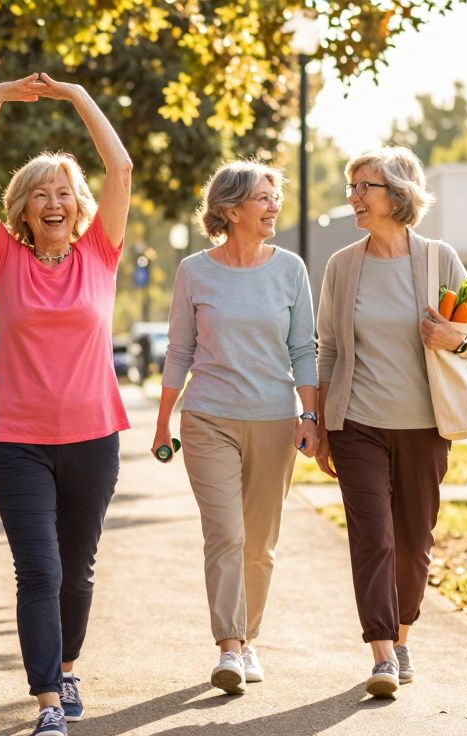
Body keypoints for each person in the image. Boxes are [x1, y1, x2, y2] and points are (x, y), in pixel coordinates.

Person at [0, 73, 131, 736]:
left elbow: (121, 165)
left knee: (76, 575)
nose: (52, 201)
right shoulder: (4, 261)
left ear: (77, 205)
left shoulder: (101, 255)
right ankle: (49, 701)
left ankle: (68, 665)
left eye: (63, 192)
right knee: (39, 569)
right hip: (18, 442)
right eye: (40, 194)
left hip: (92, 437)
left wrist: (79, 95)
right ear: (24, 210)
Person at [314, 146, 467, 698]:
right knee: (375, 538)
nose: (354, 197)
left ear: (398, 194)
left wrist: (454, 338)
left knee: (414, 542)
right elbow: (328, 350)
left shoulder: (439, 259)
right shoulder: (343, 265)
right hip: (357, 423)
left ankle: (403, 636)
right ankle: (382, 653)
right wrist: (318, 422)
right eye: (353, 187)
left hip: (425, 425)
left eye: (365, 187)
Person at [153, 161, 318, 695]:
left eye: (276, 196)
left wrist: (310, 416)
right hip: (208, 419)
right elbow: (179, 349)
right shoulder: (194, 272)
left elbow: (303, 350)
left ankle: (248, 641)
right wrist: (162, 423)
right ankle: (229, 646)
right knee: (225, 533)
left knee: (259, 544)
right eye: (264, 198)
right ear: (230, 210)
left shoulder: (290, 269)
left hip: (274, 419)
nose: (274, 206)